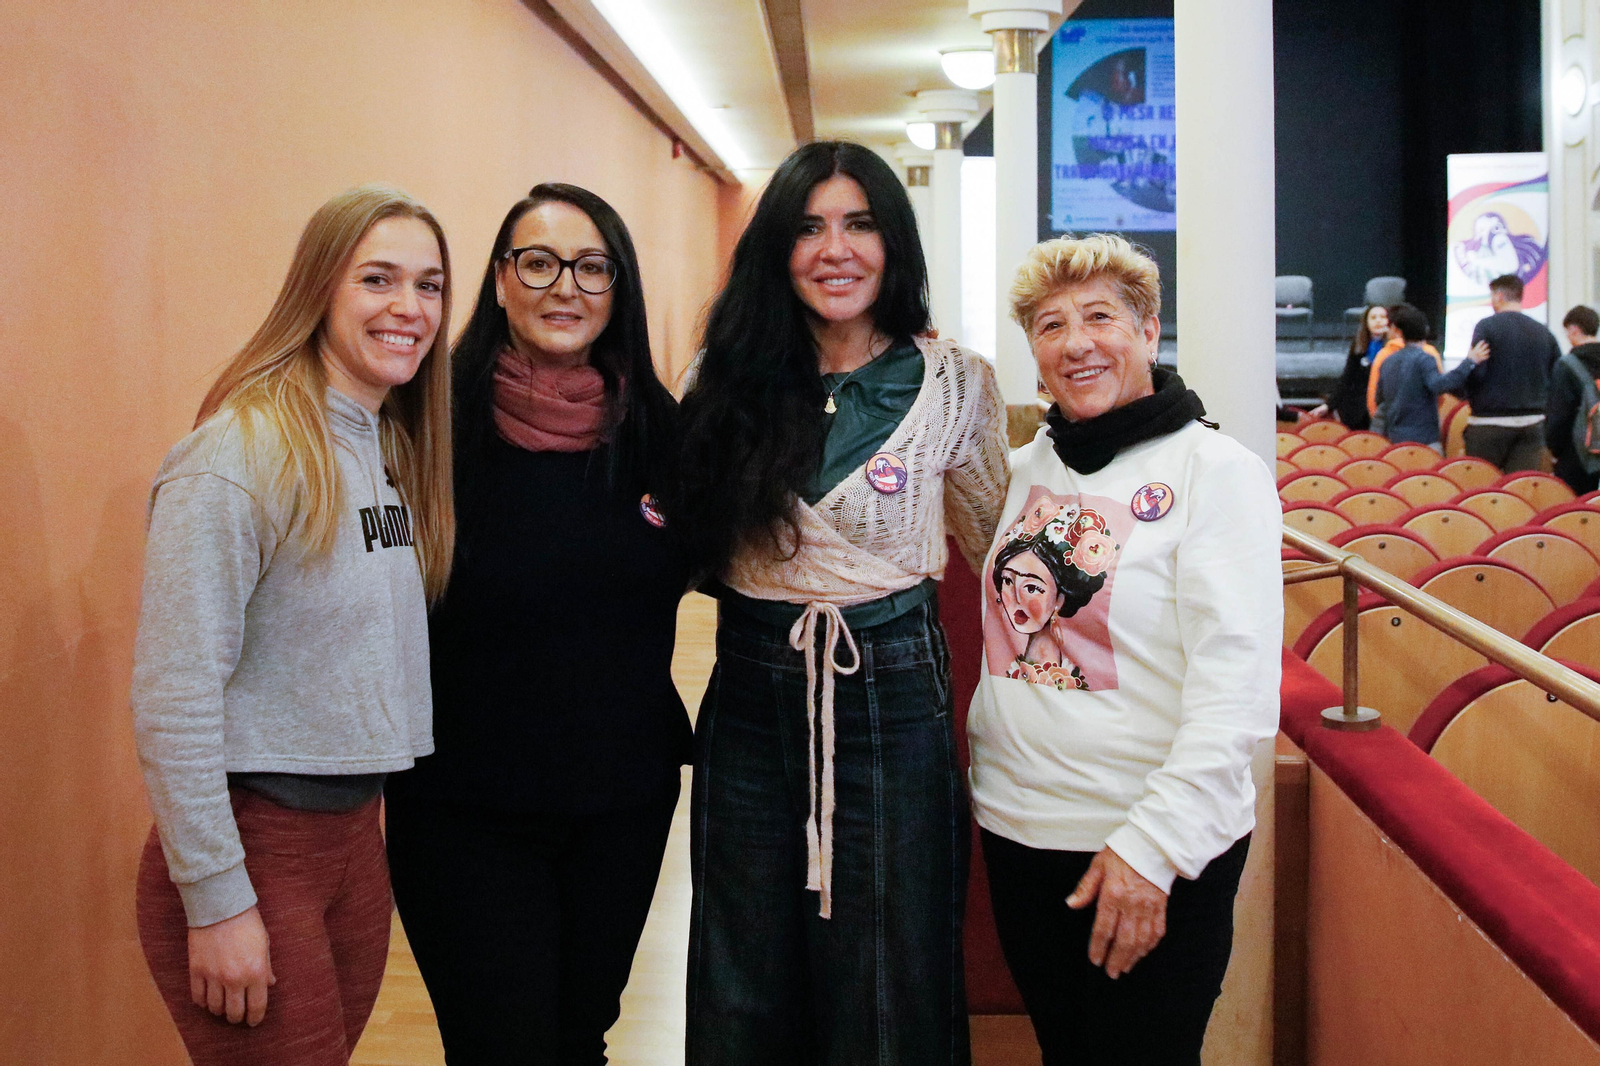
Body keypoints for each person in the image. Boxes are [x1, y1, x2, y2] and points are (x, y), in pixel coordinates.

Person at [672, 140, 1008, 1065]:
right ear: (777, 249)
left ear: (892, 242)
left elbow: (1004, 545)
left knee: (888, 973)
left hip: (894, 690)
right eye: (810, 227)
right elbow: (678, 539)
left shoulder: (955, 384)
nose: (836, 248)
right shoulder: (720, 378)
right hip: (747, 688)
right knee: (743, 968)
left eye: (860, 224)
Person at [131, 184, 455, 1065]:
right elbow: (174, 692)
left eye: (429, 286)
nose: (409, 308)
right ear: (319, 287)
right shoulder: (239, 454)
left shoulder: (384, 443)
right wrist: (216, 897)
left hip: (354, 836)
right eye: (378, 279)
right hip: (255, 843)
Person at [383, 184, 690, 1064]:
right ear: (501, 280)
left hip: (621, 808)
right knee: (501, 1047)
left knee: (580, 1037)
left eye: (592, 266)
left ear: (618, 287)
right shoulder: (426, 427)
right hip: (464, 809)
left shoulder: (659, 434)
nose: (566, 286)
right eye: (540, 262)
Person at [966, 234, 1281, 1066]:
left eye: (1100, 316)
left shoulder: (1217, 472)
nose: (1076, 342)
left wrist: (1153, 851)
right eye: (1049, 324)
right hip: (1018, 825)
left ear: (1148, 330)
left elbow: (1236, 698)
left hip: (1142, 842)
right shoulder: (1023, 468)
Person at [1459, 273, 1562, 471]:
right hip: (1532, 423)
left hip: (1489, 423)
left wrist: (1467, 391)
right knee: (1518, 491)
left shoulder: (1486, 327)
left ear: (1498, 296)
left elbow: (1478, 371)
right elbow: (1555, 377)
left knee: (1484, 491)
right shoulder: (1543, 331)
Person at [1372, 303, 1483, 450]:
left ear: (1398, 331)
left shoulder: (1387, 361)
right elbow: (1440, 385)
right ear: (1426, 330)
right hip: (1424, 441)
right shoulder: (1426, 358)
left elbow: (1379, 399)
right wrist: (1469, 362)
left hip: (1394, 440)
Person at [1544, 304, 1600, 493]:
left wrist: (1555, 450)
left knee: (1574, 514)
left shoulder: (1567, 366)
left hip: (1576, 455)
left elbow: (1558, 416)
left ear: (1574, 329)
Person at [1308, 304, 1387, 427]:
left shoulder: (1394, 347)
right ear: (1366, 322)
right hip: (1357, 410)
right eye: (1373, 317)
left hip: (1383, 411)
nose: (1378, 321)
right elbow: (1347, 378)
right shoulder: (1359, 344)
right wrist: (1329, 405)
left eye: (1382, 317)